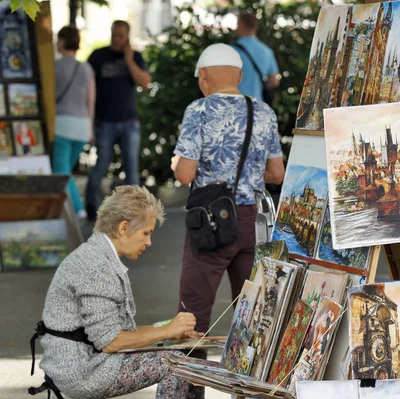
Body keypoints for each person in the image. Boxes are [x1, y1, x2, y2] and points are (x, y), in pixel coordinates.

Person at [38, 185, 216, 399]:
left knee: (192, 350)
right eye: (146, 233)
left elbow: (114, 333)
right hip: (83, 368)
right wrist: (166, 331)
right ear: (123, 228)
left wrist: (170, 332)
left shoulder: (102, 255)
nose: (149, 241)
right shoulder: (95, 267)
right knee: (175, 364)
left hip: (95, 356)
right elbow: (111, 342)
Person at [172, 43, 284, 337]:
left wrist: (177, 163)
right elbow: (276, 173)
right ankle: (249, 379)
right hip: (252, 223)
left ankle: (187, 383)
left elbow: (185, 174)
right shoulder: (263, 112)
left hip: (211, 222)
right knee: (252, 313)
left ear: (204, 76)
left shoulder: (199, 110)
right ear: (239, 76)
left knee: (193, 313)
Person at [85, 20, 151, 220]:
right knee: (101, 164)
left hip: (129, 121)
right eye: (114, 34)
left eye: (121, 36)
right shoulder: (98, 56)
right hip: (105, 121)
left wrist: (129, 59)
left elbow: (146, 82)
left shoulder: (135, 57)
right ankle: (90, 205)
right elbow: (86, 87)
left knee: (131, 167)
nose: (116, 39)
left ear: (127, 37)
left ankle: (135, 212)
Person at [53, 26, 95, 218]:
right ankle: (71, 210)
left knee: (61, 174)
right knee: (65, 171)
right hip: (82, 127)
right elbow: (90, 100)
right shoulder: (86, 68)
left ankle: (77, 209)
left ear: (61, 41)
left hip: (61, 125)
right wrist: (91, 127)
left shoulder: (54, 66)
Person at [233, 12, 280, 103]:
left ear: (241, 25)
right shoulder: (267, 51)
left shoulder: (231, 50)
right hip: (257, 106)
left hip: (234, 105)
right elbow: (274, 81)